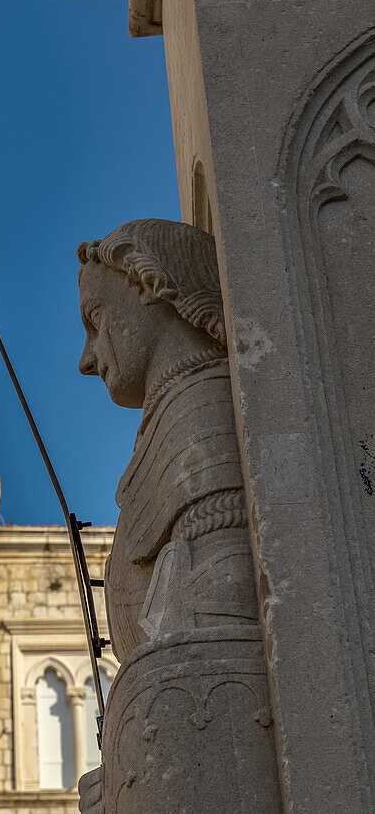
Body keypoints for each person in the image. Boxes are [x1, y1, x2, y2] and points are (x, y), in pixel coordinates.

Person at [76, 220, 280, 814]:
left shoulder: (203, 414)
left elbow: (214, 627)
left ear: (148, 287)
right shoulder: (172, 424)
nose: (88, 358)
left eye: (96, 319)